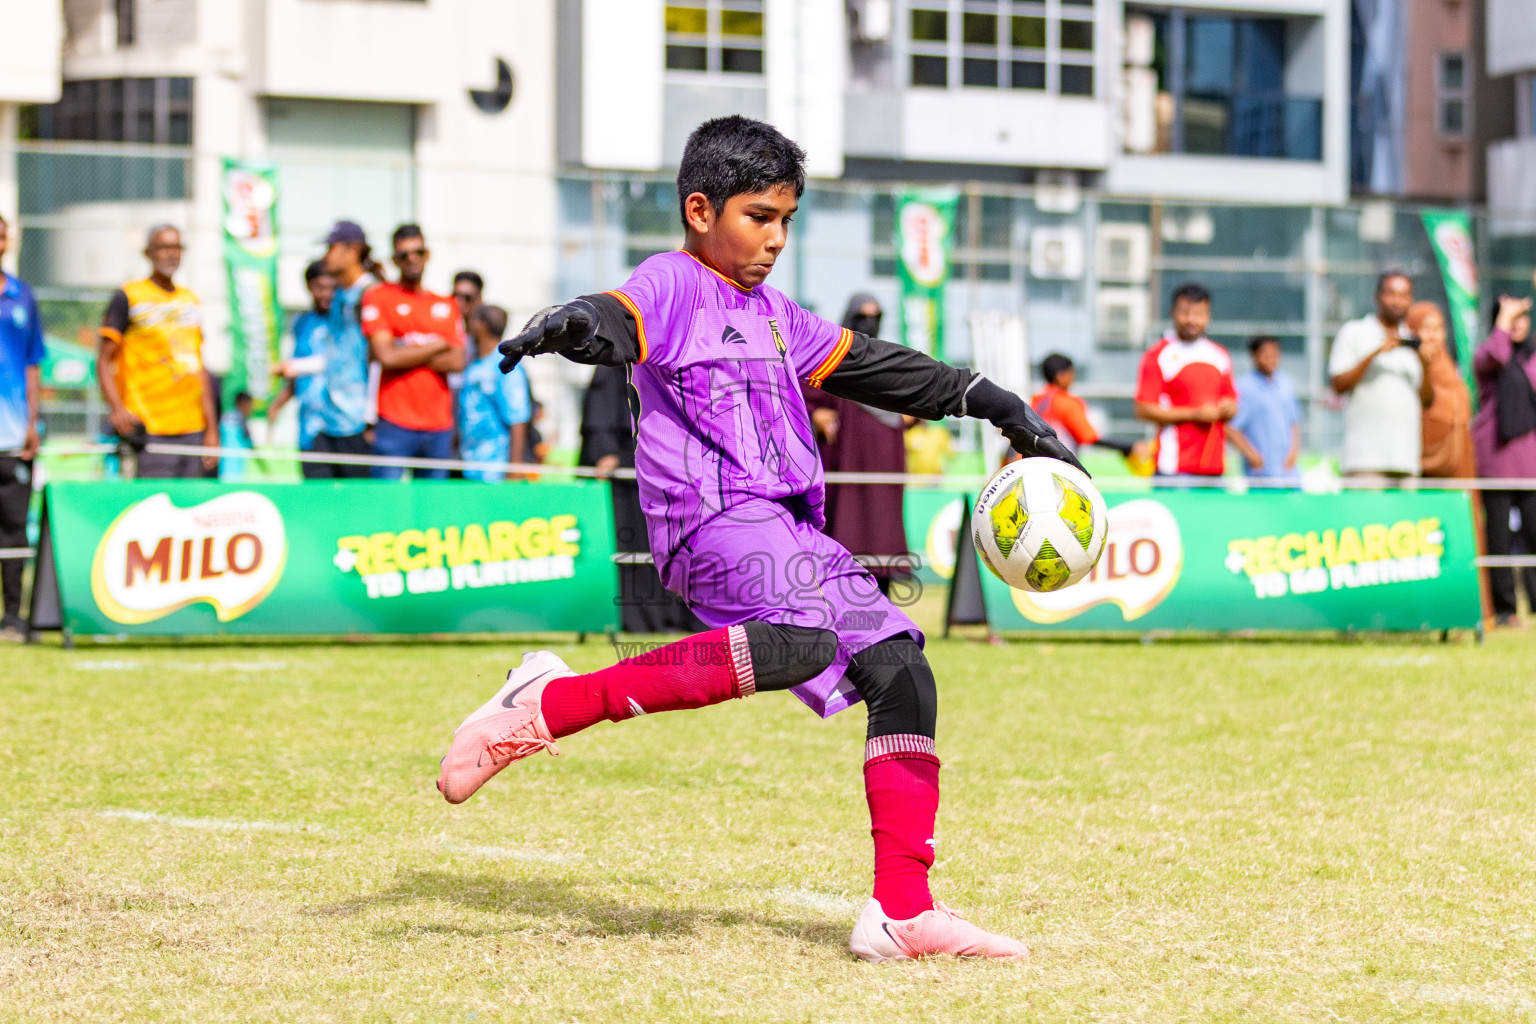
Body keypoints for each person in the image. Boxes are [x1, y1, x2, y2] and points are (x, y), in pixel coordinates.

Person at [436, 115, 1080, 962]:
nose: (776, 238)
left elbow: (876, 367)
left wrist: (997, 402)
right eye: (758, 217)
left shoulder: (776, 315)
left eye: (786, 219)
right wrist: (572, 324)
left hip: (786, 531)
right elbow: (618, 318)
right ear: (700, 210)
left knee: (902, 670)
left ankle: (902, 911)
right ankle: (552, 704)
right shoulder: (672, 282)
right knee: (812, 642)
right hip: (707, 527)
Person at [579, 362, 704, 633]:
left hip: (672, 466)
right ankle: (645, 619)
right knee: (636, 544)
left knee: (679, 547)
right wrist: (604, 450)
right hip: (629, 468)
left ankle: (680, 617)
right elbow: (601, 411)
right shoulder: (615, 362)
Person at [801, 294, 911, 596]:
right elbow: (803, 394)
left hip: (885, 463)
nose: (869, 324)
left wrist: (910, 413)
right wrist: (816, 413)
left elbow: (916, 400)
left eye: (875, 317)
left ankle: (884, 604)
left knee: (883, 530)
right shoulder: (830, 356)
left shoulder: (886, 357)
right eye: (862, 317)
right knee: (846, 528)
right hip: (845, 460)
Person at [98, 224, 218, 478]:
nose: (171, 254)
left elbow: (199, 367)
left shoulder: (191, 300)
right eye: (164, 247)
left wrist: (212, 429)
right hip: (149, 428)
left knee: (191, 511)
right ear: (148, 253)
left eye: (177, 247)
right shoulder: (129, 295)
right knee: (153, 509)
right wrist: (117, 409)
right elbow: (102, 361)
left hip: (192, 428)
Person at [362, 224, 466, 480]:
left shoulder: (445, 304)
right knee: (387, 507)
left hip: (438, 425)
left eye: (418, 252)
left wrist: (403, 350)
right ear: (395, 259)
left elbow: (458, 360)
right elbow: (386, 356)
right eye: (403, 254)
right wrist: (437, 344)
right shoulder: (379, 297)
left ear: (427, 254)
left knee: (431, 514)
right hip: (394, 421)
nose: (412, 259)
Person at [1327, 271, 1434, 481]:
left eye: (1405, 295)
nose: (1398, 301)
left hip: (1406, 461)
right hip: (1365, 461)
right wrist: (1375, 353)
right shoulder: (1355, 332)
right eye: (1392, 294)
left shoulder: (1412, 341)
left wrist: (1424, 362)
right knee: (1364, 515)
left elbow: (1427, 401)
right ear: (1377, 296)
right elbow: (1338, 385)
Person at [1473, 295, 1536, 627]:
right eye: (1511, 318)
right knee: (1498, 538)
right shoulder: (1488, 356)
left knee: (1534, 533)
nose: (1519, 324)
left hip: (1530, 463)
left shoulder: (1532, 358)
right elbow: (1496, 353)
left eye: (1523, 318)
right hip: (1496, 461)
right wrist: (1505, 319)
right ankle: (1505, 609)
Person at [1133, 283, 1238, 478]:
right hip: (1174, 469)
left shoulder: (1220, 355)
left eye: (1199, 313)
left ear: (1208, 316)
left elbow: (1231, 402)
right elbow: (1143, 409)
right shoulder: (1158, 355)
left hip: (1215, 469)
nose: (1192, 320)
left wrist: (1229, 408)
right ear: (1173, 312)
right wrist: (1195, 414)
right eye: (1185, 312)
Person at [0, 214, 43, 639]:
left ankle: (12, 617)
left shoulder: (21, 295)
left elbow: (33, 364)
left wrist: (34, 422)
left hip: (13, 438)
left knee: (14, 530)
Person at [1031, 352, 1150, 466]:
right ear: (1061, 376)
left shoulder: (1035, 402)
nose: (1073, 378)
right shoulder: (1066, 403)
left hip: (1033, 466)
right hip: (1059, 469)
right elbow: (1089, 438)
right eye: (1071, 373)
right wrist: (1130, 447)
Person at [457, 304, 530, 483]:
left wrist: (515, 465)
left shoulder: (506, 366)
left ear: (481, 326)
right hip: (470, 466)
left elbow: (518, 418)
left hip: (495, 470)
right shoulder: (472, 363)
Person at [1408, 302, 1476, 480]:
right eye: (1426, 328)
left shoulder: (1450, 369)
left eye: (1438, 329)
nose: (1433, 336)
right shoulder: (1409, 367)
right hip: (1425, 466)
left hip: (1457, 460)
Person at [1226, 337, 1302, 484]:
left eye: (1274, 354)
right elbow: (1230, 428)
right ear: (1253, 356)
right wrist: (1252, 455)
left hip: (1288, 472)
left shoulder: (1285, 383)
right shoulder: (1244, 388)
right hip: (1261, 474)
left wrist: (1293, 453)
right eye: (1265, 355)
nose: (1270, 359)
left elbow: (1294, 421)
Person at [218, 390, 254, 479]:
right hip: (237, 463)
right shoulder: (240, 419)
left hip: (224, 463)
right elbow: (248, 438)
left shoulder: (225, 416)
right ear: (244, 404)